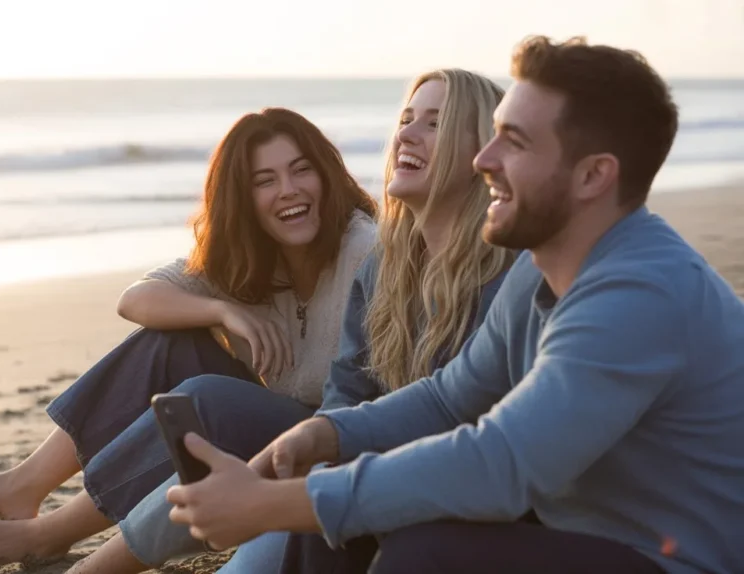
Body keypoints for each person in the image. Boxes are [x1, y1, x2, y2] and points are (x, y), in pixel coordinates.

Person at [165, 36, 744, 574]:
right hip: (579, 539)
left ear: (593, 176)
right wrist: (323, 436)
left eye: (514, 142)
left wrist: (273, 504)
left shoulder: (639, 294)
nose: (484, 159)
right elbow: (448, 398)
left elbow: (501, 464)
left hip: (670, 561)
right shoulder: (541, 268)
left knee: (425, 551)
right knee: (342, 509)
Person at [62, 69, 517, 574]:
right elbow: (347, 391)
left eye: (435, 123)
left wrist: (301, 464)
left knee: (228, 418)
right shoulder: (384, 267)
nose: (407, 134)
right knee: (178, 362)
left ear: (485, 153)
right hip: (349, 470)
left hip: (436, 497)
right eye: (406, 119)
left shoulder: (507, 274)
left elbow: (460, 418)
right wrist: (298, 453)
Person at [0, 107, 380, 567]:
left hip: (333, 444)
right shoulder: (249, 260)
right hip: (277, 424)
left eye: (301, 170)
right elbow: (136, 299)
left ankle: (49, 534)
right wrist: (224, 310)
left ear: (326, 175)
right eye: (265, 181)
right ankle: (25, 486)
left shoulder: (365, 251)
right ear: (242, 198)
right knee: (169, 345)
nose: (289, 189)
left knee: (203, 401)